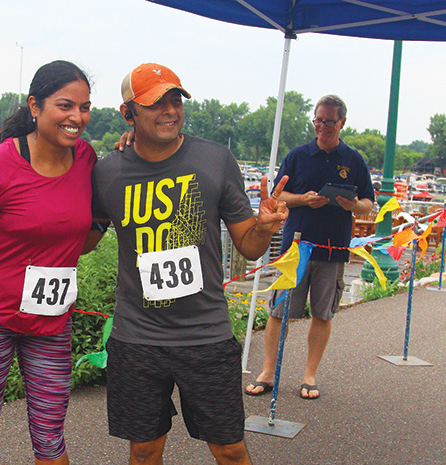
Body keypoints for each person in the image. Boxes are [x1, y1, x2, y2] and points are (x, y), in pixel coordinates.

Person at [87, 63, 289, 465]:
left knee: (230, 449)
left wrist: (265, 227)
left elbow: (248, 246)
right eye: (154, 103)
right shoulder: (109, 170)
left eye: (175, 99)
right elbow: (85, 238)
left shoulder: (214, 160)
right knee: (144, 451)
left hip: (205, 335)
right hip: (137, 337)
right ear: (128, 114)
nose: (169, 111)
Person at [0, 60, 96, 465]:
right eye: (65, 106)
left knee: (50, 437)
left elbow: (85, 238)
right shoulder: (0, 161)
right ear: (35, 106)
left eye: (84, 108)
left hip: (49, 319)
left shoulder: (86, 159)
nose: (76, 117)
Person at [245, 94, 375, 400]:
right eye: (318, 120)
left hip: (333, 249)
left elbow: (370, 203)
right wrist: (304, 199)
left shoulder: (354, 160)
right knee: (278, 310)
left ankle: (309, 375)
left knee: (322, 314)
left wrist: (354, 204)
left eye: (329, 121)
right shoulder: (298, 155)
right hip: (296, 248)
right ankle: (267, 372)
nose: (322, 126)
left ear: (342, 122)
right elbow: (279, 196)